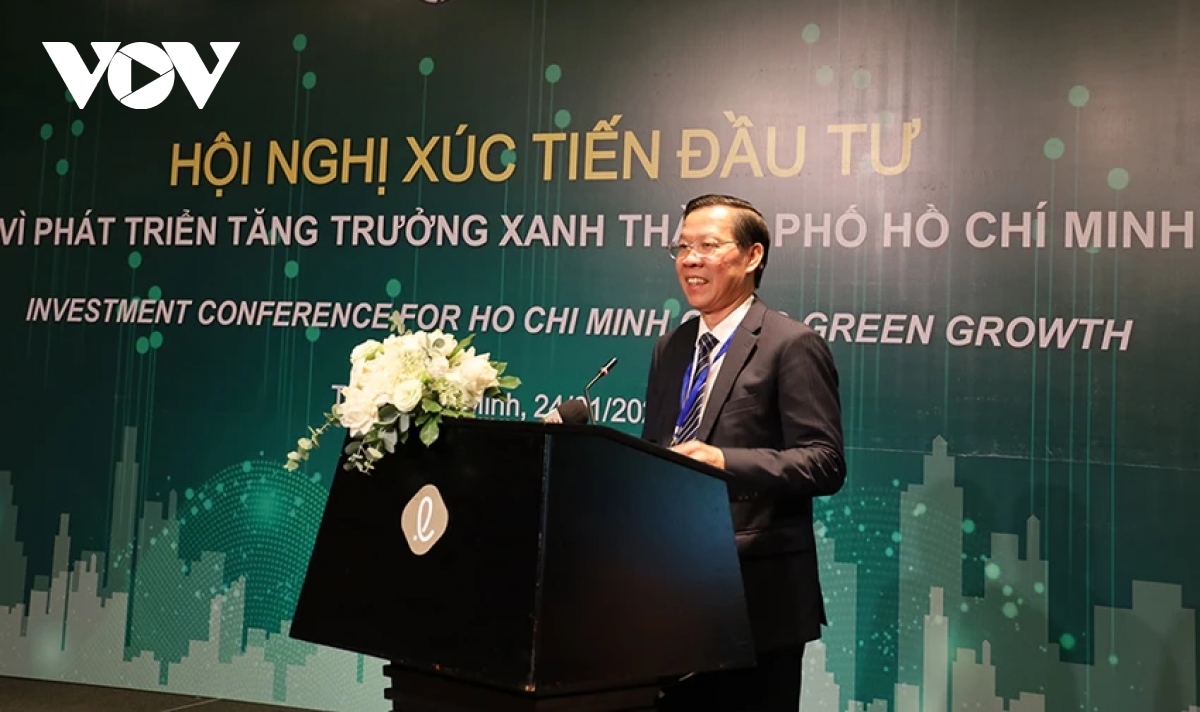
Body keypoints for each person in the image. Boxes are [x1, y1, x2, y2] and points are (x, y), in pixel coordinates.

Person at [641, 194, 846, 712]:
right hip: (669, 591)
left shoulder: (790, 344)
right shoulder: (671, 347)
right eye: (682, 248)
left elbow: (824, 461)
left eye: (708, 246)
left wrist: (724, 462)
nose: (690, 260)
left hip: (756, 597)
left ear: (753, 256)